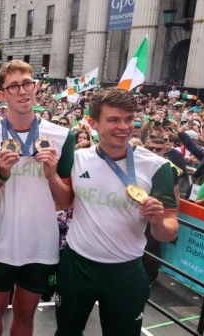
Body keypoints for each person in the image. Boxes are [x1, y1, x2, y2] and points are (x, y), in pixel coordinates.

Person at [55, 88, 178, 336]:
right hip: (77, 266)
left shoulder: (158, 166)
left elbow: (169, 231)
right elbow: (64, 202)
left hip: (126, 272)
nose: (124, 127)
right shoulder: (77, 159)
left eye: (129, 119)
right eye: (113, 119)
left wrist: (157, 222)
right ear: (92, 123)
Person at [0, 60, 75, 336]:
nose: (22, 91)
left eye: (27, 83)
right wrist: (1, 173)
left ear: (36, 87)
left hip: (40, 242)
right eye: (13, 86)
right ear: (2, 94)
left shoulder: (62, 136)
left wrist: (51, 174)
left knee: (26, 312)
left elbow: (65, 202)